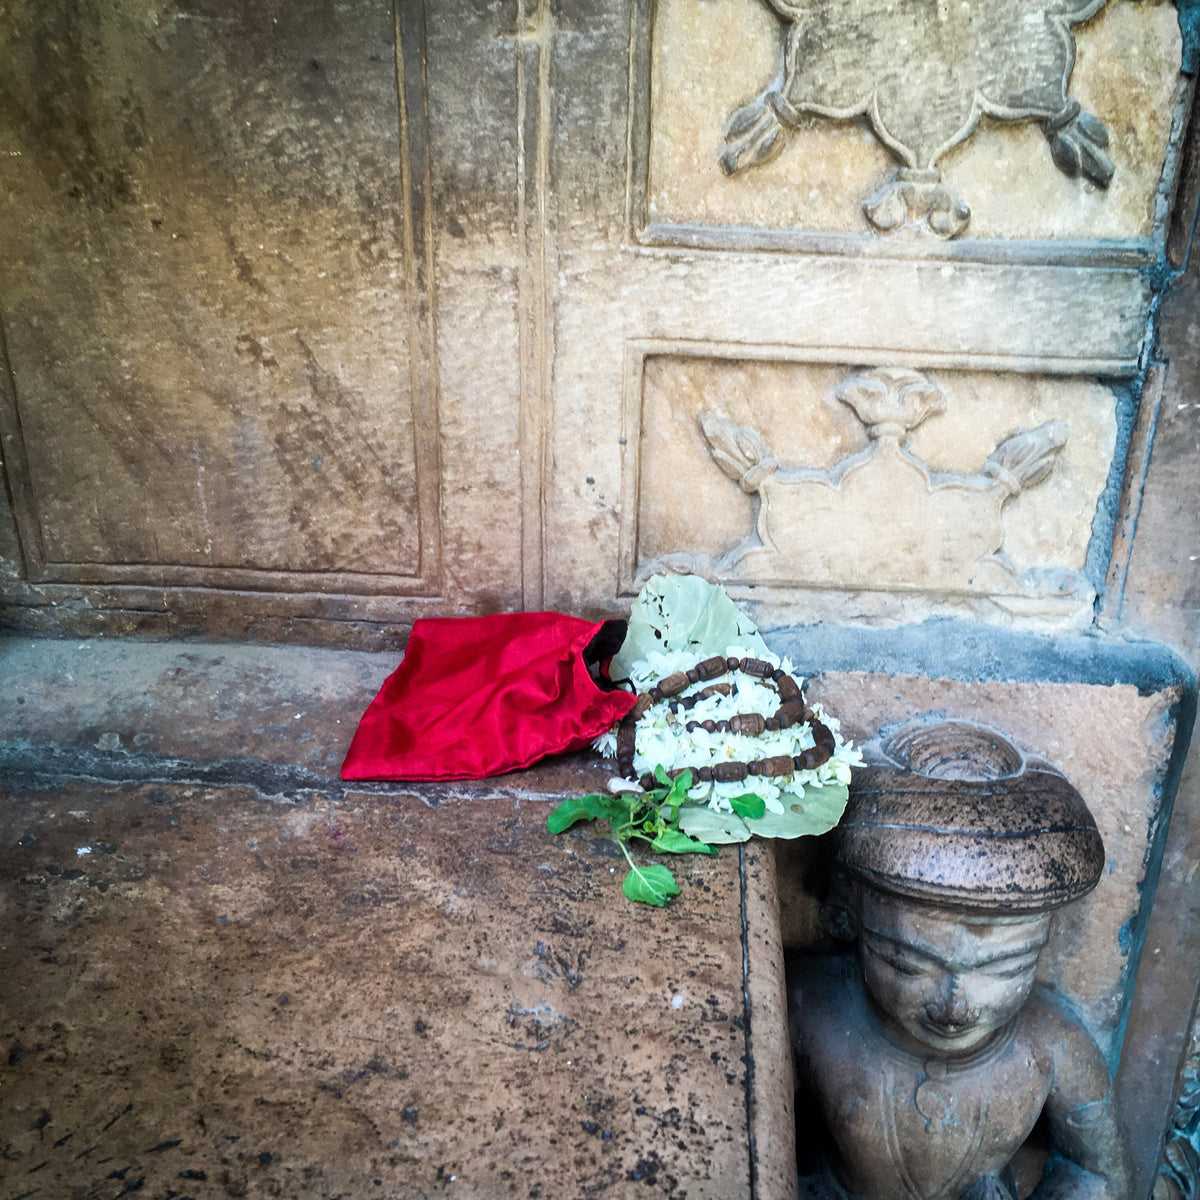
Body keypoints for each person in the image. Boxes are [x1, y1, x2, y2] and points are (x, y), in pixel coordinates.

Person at [790, 733, 1131, 1200]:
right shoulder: (808, 1013)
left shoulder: (1053, 1047)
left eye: (1003, 969)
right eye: (909, 965)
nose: (955, 1004)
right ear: (847, 915)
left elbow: (1099, 1174)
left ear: (1044, 942)